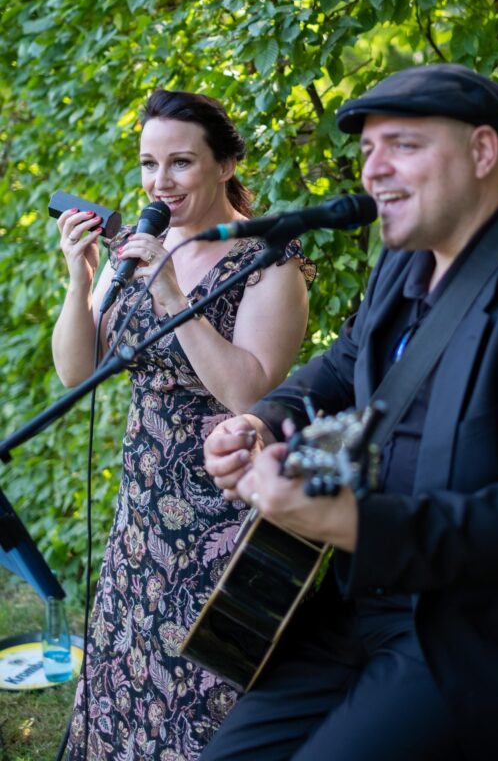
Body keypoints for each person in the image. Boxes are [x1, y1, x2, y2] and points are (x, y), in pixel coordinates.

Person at [201, 63, 498, 761]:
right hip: (365, 600)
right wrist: (262, 421)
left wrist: (349, 522)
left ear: (482, 151)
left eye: (403, 145)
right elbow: (347, 361)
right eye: (368, 149)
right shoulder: (407, 260)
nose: (374, 170)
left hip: (496, 634)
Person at [52, 89, 315, 761]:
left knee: (204, 696)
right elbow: (77, 371)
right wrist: (80, 280)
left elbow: (248, 391)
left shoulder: (269, 261)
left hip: (224, 512)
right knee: (129, 674)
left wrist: (171, 293)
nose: (159, 182)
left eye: (180, 163)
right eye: (149, 163)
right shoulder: (136, 250)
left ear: (225, 165)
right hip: (143, 509)